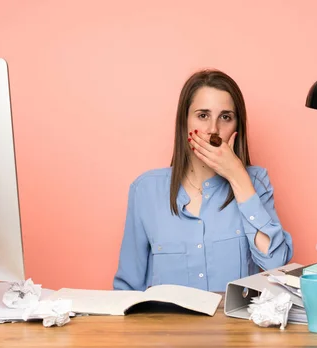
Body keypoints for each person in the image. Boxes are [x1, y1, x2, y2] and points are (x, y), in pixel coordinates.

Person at [113, 69, 293, 292]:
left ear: (237, 127)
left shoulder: (255, 182)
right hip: (167, 326)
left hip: (235, 327)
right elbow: (128, 287)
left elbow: (275, 264)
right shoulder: (146, 190)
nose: (213, 130)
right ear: (185, 122)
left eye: (225, 117)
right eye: (203, 115)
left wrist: (238, 176)